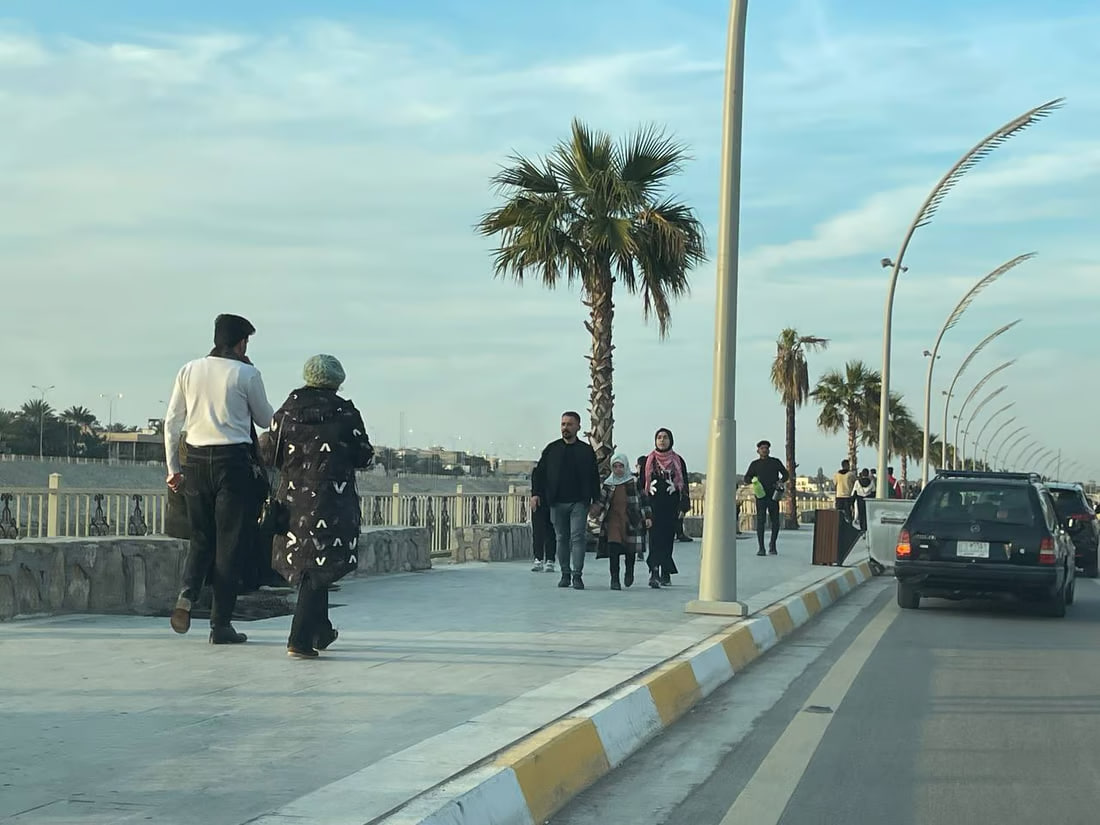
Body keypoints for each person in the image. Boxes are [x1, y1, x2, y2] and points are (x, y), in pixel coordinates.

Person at [164, 313, 275, 644]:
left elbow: (172, 422)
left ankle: (186, 593)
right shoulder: (246, 373)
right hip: (233, 464)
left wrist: (174, 470)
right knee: (229, 544)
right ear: (241, 343)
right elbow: (267, 419)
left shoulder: (189, 370)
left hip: (195, 460)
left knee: (201, 537)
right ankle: (220, 625)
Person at [260, 354, 375, 658]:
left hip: (293, 502)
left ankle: (321, 630)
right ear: (337, 381)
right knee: (317, 567)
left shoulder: (284, 413)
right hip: (333, 502)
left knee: (311, 564)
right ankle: (298, 639)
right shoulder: (346, 414)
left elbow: (269, 455)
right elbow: (363, 455)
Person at [530, 412, 602, 590]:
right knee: (561, 538)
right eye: (563, 424)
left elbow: (594, 477)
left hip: (579, 502)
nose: (565, 428)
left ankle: (577, 575)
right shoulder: (552, 449)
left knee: (577, 537)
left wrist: (596, 501)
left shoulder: (586, 451)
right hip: (556, 502)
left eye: (570, 424)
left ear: (578, 426)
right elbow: (539, 473)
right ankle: (565, 574)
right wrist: (535, 494)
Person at [588, 454, 652, 590]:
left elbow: (644, 499)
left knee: (630, 551)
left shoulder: (634, 482)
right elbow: (601, 501)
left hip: (631, 520)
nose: (618, 469)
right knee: (614, 550)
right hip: (613, 521)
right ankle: (614, 579)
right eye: (615, 466)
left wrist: (648, 516)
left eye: (621, 466)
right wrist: (593, 512)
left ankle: (629, 572)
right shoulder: (608, 484)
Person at [641, 428, 690, 587]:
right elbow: (642, 485)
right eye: (659, 437)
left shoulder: (678, 460)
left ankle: (666, 571)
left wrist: (683, 506)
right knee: (654, 539)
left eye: (665, 437)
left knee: (668, 539)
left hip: (671, 506)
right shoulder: (649, 461)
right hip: (653, 506)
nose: (662, 440)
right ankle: (654, 572)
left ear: (671, 440)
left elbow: (684, 485)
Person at [744, 439, 789, 556]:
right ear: (758, 451)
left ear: (769, 450)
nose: (764, 450)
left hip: (773, 495)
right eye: (762, 448)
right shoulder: (755, 464)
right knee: (760, 521)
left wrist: (780, 481)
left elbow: (786, 474)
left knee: (775, 521)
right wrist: (753, 480)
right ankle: (761, 547)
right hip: (761, 496)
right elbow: (746, 478)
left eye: (766, 448)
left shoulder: (775, 462)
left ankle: (772, 545)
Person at [529, 458, 557, 573]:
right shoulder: (538, 471)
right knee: (538, 532)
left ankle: (550, 560)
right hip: (539, 504)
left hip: (553, 504)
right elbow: (535, 487)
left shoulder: (556, 471)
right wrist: (534, 496)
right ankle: (538, 558)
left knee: (551, 532)